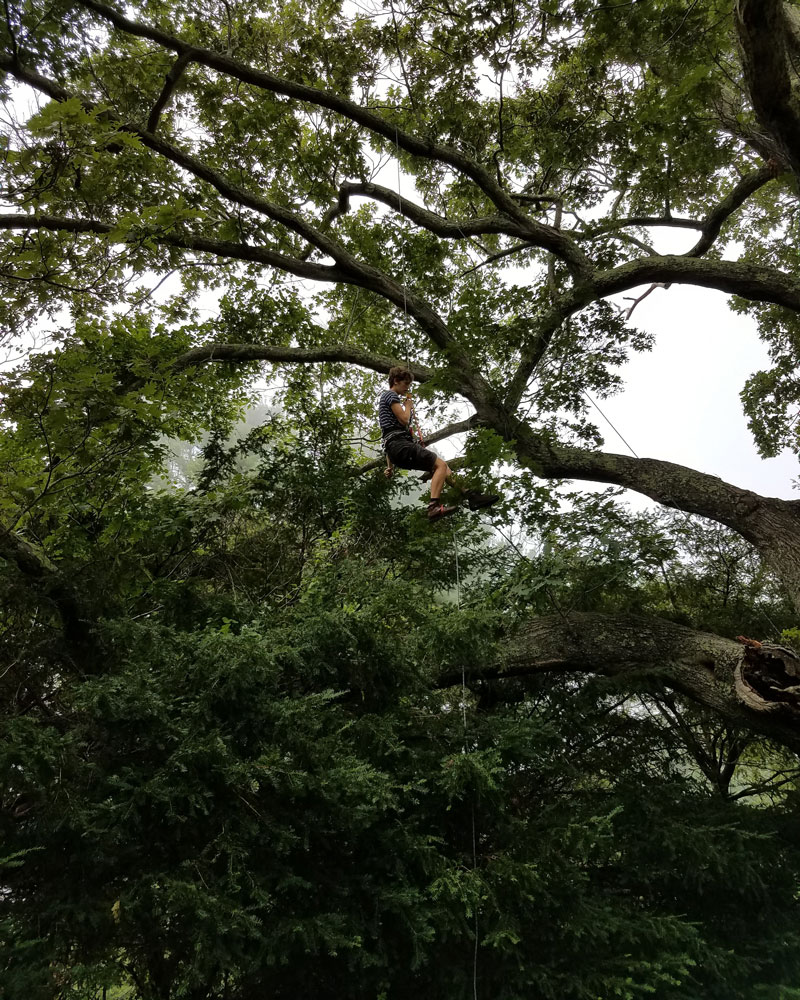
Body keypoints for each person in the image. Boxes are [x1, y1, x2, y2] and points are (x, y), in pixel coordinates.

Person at [379, 366, 499, 521]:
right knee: (440, 466)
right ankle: (433, 507)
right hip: (400, 446)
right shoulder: (389, 395)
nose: (406, 389)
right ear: (396, 381)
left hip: (396, 450)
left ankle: (471, 495)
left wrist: (389, 467)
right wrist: (407, 407)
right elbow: (404, 420)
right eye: (405, 384)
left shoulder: (388, 417)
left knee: (444, 469)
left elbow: (388, 438)